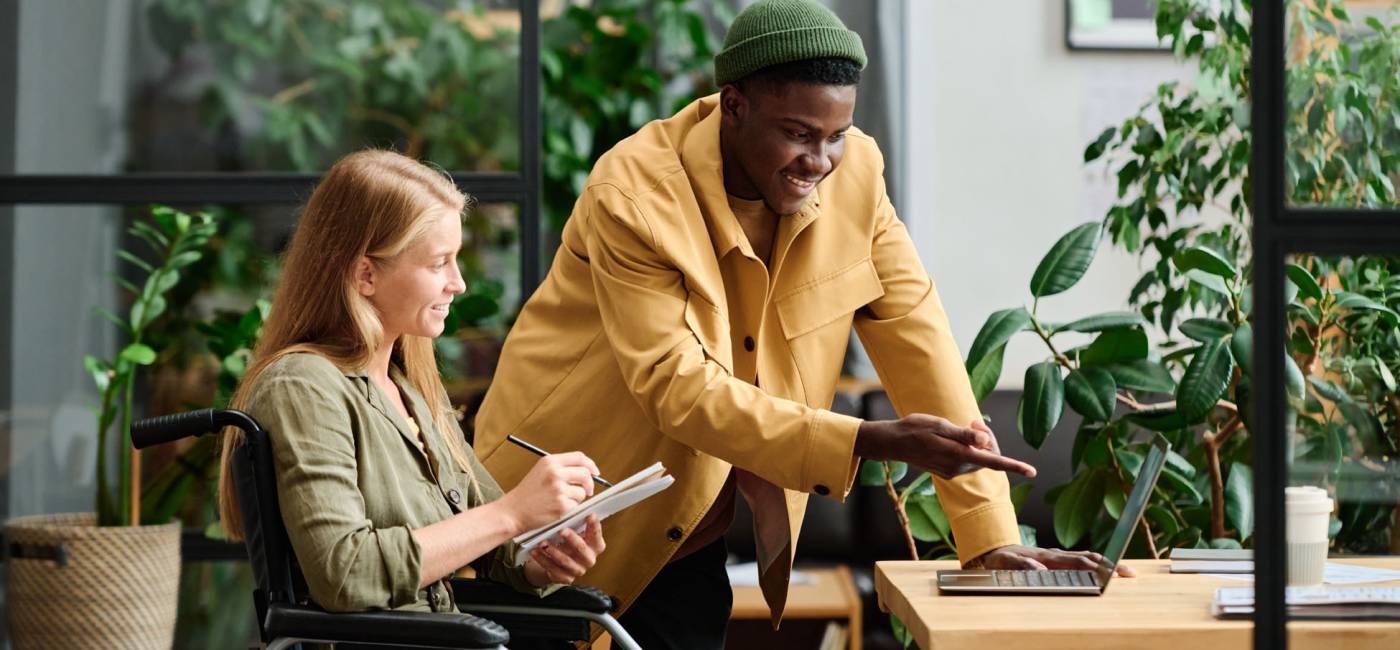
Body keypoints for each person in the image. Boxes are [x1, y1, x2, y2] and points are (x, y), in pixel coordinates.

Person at [475, 0, 1129, 646]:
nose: (818, 162)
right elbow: (677, 387)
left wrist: (989, 540)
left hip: (684, 535)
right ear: (734, 106)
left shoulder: (857, 175)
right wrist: (870, 440)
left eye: (836, 136)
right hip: (550, 517)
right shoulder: (635, 193)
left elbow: (916, 335)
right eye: (798, 133)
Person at [215, 150, 607, 619]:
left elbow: (489, 543)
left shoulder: (410, 386)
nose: (458, 283)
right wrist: (512, 514)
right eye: (439, 263)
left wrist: (538, 560)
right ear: (366, 274)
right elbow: (345, 574)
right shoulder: (302, 386)